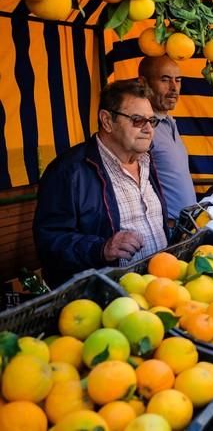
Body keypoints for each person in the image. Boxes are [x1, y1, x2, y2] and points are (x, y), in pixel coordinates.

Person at [34, 80, 169, 287]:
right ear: (107, 121)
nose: (149, 129)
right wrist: (102, 248)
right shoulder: (68, 171)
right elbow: (49, 240)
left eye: (152, 121)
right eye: (138, 120)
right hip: (105, 298)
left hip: (160, 288)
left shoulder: (147, 160)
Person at [138, 55, 196, 222]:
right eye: (165, 80)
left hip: (186, 226)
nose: (174, 87)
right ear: (143, 83)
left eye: (178, 80)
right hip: (166, 228)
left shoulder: (169, 122)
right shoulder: (143, 126)